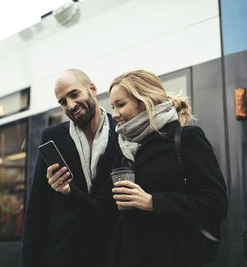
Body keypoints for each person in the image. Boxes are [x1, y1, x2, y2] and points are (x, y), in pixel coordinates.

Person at [107, 70, 228, 267]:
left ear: (145, 101)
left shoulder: (186, 138)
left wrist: (153, 202)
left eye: (121, 105)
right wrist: (68, 192)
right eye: (113, 106)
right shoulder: (122, 148)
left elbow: (216, 204)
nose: (115, 114)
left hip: (174, 256)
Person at [20, 69, 119, 267]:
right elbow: (37, 208)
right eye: (63, 102)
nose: (70, 105)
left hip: (113, 253)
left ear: (92, 88)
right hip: (63, 256)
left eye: (74, 95)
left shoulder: (121, 132)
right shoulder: (52, 137)